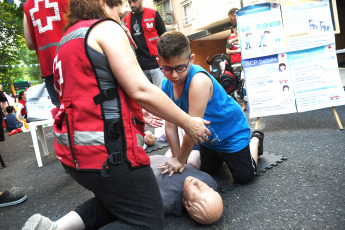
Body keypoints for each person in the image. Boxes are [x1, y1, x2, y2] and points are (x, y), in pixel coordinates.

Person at [22, 0, 210, 229]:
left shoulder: (67, 39)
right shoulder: (105, 29)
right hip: (110, 156)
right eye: (120, 14)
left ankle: (55, 228)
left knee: (117, 202)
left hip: (75, 156)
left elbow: (91, 93)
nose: (122, 18)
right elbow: (141, 89)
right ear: (103, 3)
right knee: (148, 222)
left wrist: (136, 112)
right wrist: (188, 122)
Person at [156, 31, 264, 185]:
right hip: (208, 139)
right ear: (159, 62)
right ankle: (220, 156)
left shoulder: (198, 81)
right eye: (167, 69)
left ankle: (255, 139)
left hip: (231, 134)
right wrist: (176, 159)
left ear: (191, 59)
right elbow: (171, 125)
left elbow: (193, 128)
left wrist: (181, 160)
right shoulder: (166, 85)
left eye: (180, 68)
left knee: (245, 177)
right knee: (208, 169)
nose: (174, 75)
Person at [22, 156, 222, 229]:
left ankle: (57, 227)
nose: (198, 184)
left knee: (101, 208)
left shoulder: (167, 202)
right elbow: (194, 157)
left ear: (186, 204)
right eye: (204, 187)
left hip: (128, 180)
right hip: (136, 164)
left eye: (196, 191)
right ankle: (55, 227)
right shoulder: (208, 180)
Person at [23, 0, 69, 107]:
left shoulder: (27, 5)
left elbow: (30, 43)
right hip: (73, 59)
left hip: (49, 65)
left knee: (61, 110)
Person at [123, 0, 166, 87]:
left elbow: (164, 37)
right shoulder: (126, 19)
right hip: (139, 68)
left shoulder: (153, 14)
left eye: (134, 1)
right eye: (129, 2)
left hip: (156, 64)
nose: (132, 5)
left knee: (162, 93)